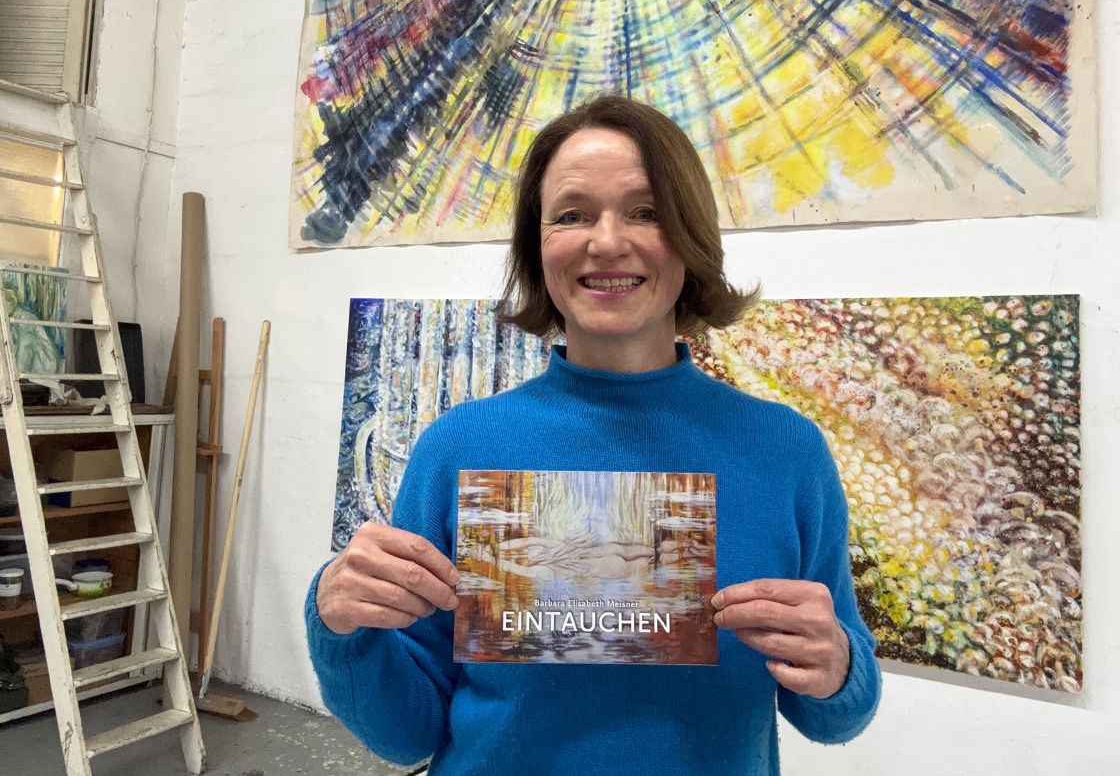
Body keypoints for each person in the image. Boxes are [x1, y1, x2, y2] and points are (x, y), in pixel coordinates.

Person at [305, 95, 881, 775]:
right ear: (537, 246)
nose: (606, 242)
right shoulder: (459, 447)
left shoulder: (786, 451)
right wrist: (340, 626)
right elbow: (409, 733)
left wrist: (839, 665)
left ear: (690, 235)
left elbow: (831, 713)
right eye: (572, 214)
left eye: (646, 211)